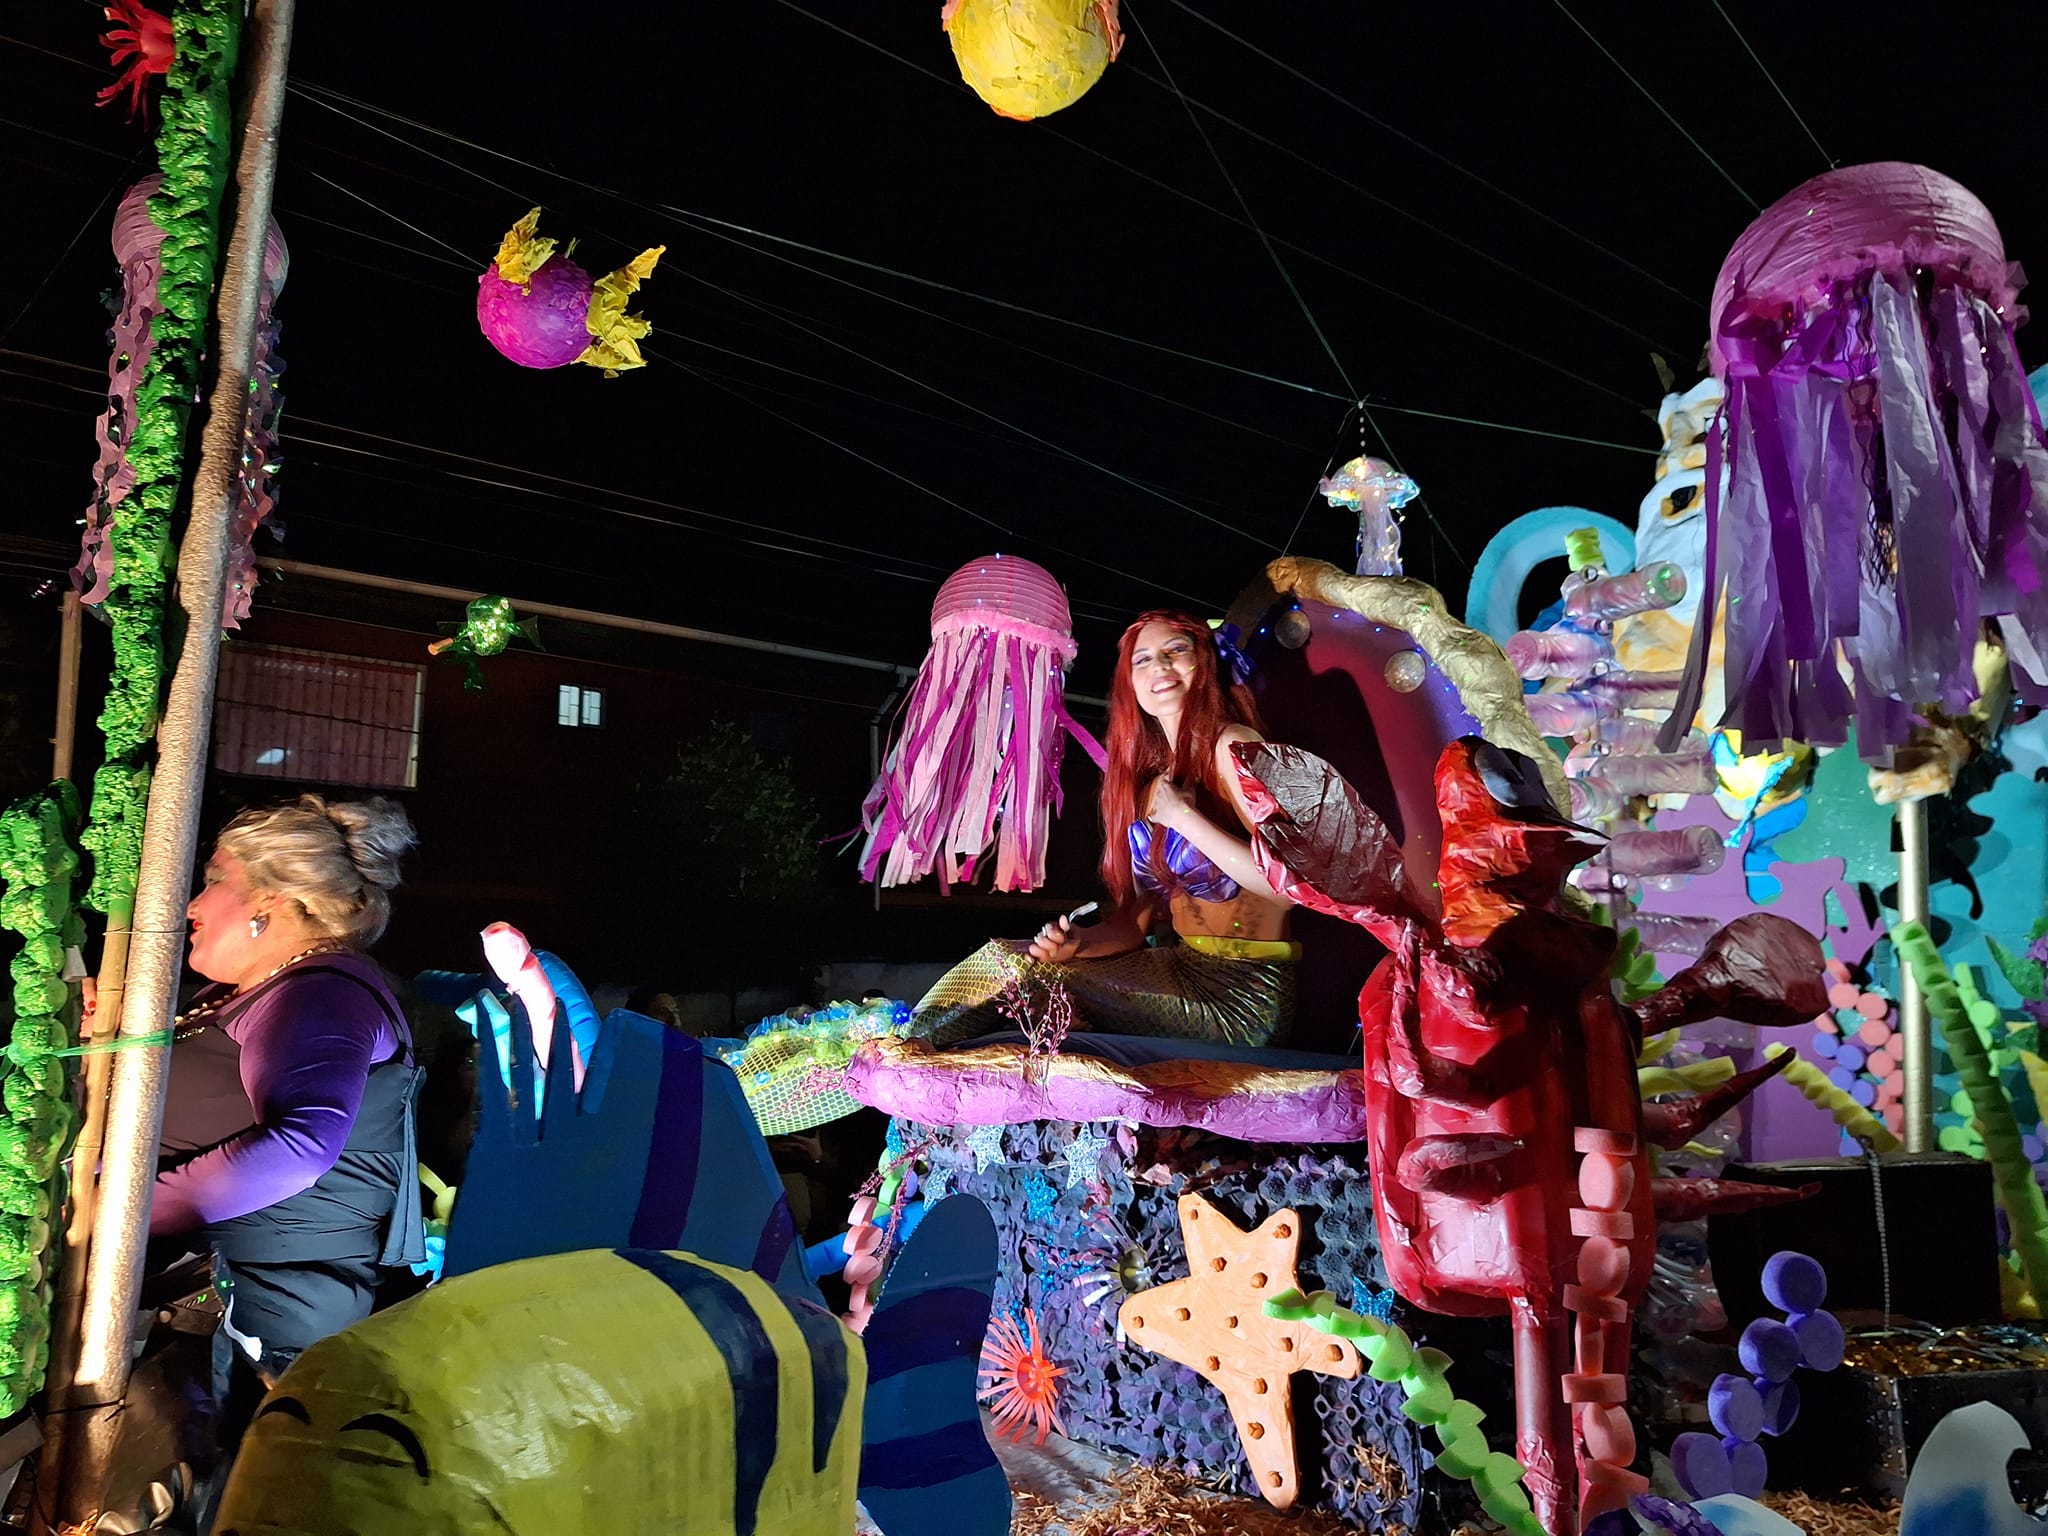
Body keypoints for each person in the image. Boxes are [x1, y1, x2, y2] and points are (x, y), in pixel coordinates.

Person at [153, 794, 424, 1467]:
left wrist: (124, 1210)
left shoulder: (320, 992)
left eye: (214, 878)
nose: (192, 902)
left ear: (267, 905)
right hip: (209, 1310)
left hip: (256, 1334)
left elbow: (298, 1147)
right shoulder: (264, 987)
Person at [912, 611, 1299, 1048]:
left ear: (1203, 663)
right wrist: (1079, 944)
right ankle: (905, 1048)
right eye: (1144, 660)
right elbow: (1131, 925)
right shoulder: (1154, 787)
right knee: (1015, 956)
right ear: (1130, 684)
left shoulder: (1234, 746)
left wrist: (1185, 820)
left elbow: (1288, 888)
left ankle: (900, 1054)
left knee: (1011, 967)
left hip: (1241, 997)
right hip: (1177, 967)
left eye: (1176, 652)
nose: (1160, 667)